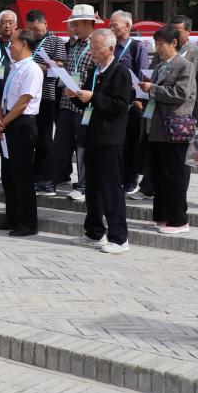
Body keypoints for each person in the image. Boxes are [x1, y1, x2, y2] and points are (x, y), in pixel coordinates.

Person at [66, 28, 131, 253]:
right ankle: (94, 232)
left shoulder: (120, 72)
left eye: (96, 48)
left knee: (111, 189)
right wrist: (75, 96)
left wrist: (93, 97)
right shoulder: (95, 70)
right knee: (92, 188)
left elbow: (120, 105)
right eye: (91, 47)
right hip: (91, 135)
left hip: (109, 138)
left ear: (110, 48)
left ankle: (119, 238)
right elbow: (88, 102)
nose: (92, 51)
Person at [138, 25, 195, 234]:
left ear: (174, 43)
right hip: (156, 127)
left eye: (161, 44)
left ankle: (179, 220)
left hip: (174, 129)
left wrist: (153, 88)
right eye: (156, 44)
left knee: (173, 175)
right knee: (158, 174)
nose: (158, 48)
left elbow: (180, 93)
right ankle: (161, 217)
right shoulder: (160, 66)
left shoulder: (185, 65)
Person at [36, 4, 97, 199]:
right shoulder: (73, 45)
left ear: (88, 23)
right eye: (73, 24)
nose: (73, 28)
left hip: (84, 105)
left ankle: (83, 186)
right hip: (66, 102)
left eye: (77, 24)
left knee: (82, 147)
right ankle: (51, 182)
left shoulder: (96, 45)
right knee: (61, 145)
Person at [0, 29, 43, 237]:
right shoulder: (14, 67)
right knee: (9, 174)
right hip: (8, 122)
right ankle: (12, 217)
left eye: (13, 42)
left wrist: (3, 122)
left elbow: (23, 102)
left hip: (22, 124)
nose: (10, 46)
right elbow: (5, 97)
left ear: (24, 44)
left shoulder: (32, 69)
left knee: (22, 175)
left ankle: (27, 223)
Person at [108, 11, 149, 194]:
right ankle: (116, 178)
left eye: (115, 24)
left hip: (131, 104)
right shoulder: (110, 46)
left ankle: (130, 180)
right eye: (110, 24)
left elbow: (142, 74)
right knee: (115, 144)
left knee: (131, 144)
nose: (111, 27)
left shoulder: (136, 47)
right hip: (112, 102)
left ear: (127, 26)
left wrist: (139, 100)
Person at [26, 10, 67, 183]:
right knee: (29, 135)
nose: (33, 32)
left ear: (45, 24)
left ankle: (43, 173)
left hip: (46, 94)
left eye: (36, 29)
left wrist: (33, 66)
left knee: (44, 135)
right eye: (30, 29)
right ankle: (30, 171)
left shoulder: (56, 41)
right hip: (28, 95)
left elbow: (58, 68)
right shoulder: (28, 41)